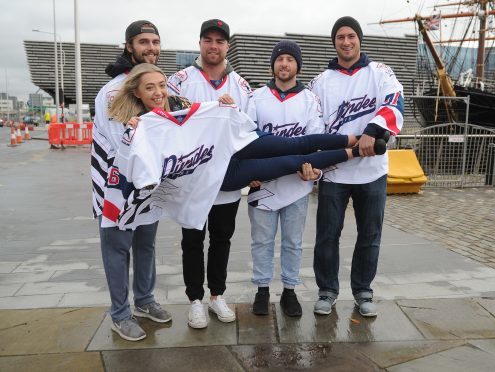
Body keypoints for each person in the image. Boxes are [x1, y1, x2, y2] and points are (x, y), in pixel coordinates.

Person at [103, 63, 362, 230]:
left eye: (161, 85)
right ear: (137, 93)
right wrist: (134, 134)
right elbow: (135, 173)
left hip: (234, 147)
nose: (158, 92)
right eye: (150, 88)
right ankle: (354, 152)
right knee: (291, 163)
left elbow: (208, 114)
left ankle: (354, 140)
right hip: (221, 175)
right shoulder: (138, 127)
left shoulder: (180, 103)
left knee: (294, 144)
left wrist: (225, 107)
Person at [308, 16, 404, 317]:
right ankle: (327, 290)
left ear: (359, 39)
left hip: (372, 170)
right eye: (340, 37)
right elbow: (313, 123)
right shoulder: (321, 81)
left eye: (351, 36)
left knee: (369, 234)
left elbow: (394, 103)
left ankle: (363, 290)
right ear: (334, 42)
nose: (346, 42)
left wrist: (371, 132)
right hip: (335, 172)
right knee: (327, 235)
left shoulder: (380, 72)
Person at [167, 19, 252, 329]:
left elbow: (248, 132)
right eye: (208, 39)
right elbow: (168, 122)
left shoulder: (240, 85)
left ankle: (217, 295)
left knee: (222, 239)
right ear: (199, 43)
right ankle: (195, 300)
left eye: (219, 40)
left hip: (226, 179)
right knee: (192, 240)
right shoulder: (178, 80)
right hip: (191, 180)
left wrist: (249, 172)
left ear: (227, 46)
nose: (213, 45)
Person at [90, 20, 171, 342]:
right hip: (116, 185)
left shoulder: (159, 84)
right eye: (143, 42)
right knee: (117, 249)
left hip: (149, 183)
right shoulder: (113, 90)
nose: (150, 47)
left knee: (146, 244)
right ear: (129, 47)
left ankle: (145, 300)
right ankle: (120, 313)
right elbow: (122, 144)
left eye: (154, 41)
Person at [246, 40, 323, 317]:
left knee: (293, 242)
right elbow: (245, 140)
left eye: (290, 59)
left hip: (296, 184)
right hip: (263, 185)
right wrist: (249, 172)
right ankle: (262, 290)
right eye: (280, 59)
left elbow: (315, 141)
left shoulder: (310, 99)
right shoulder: (255, 97)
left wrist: (314, 168)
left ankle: (290, 291)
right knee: (261, 241)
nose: (284, 64)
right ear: (273, 64)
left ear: (297, 66)